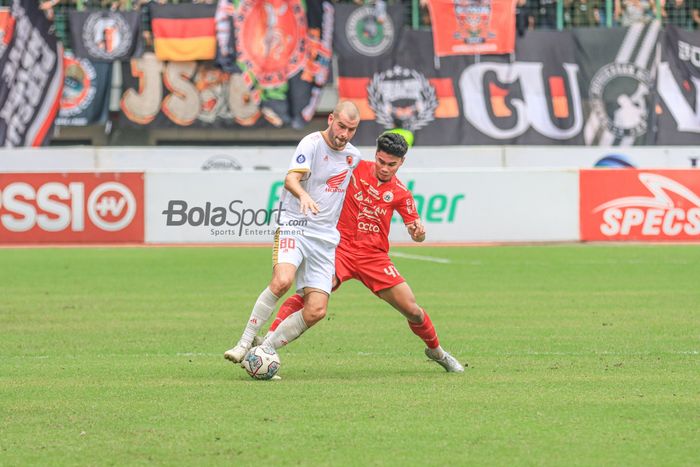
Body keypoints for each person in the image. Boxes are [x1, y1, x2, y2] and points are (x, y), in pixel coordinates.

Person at [262, 132, 465, 373]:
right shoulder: (354, 168)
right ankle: (266, 344)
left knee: (413, 310)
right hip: (341, 249)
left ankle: (437, 352)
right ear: (375, 155)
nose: (385, 168)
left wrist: (418, 232)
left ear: (402, 162)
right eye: (381, 161)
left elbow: (417, 234)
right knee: (313, 293)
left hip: (374, 258)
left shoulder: (401, 193)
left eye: (392, 164)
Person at [224, 101, 362, 363]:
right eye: (341, 126)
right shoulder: (311, 143)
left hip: (324, 238)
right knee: (282, 281)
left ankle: (264, 347)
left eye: (351, 130)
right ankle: (243, 344)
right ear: (331, 119)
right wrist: (303, 195)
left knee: (316, 311)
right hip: (294, 225)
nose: (344, 134)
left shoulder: (353, 157)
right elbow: (290, 179)